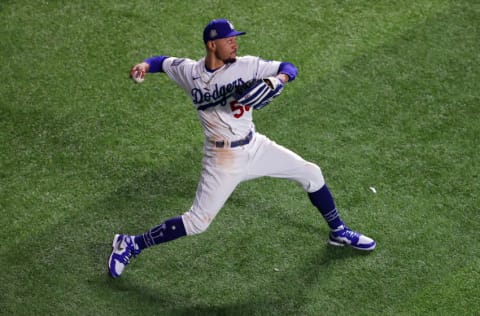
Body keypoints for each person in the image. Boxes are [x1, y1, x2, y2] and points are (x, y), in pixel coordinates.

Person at [108, 18, 376, 278]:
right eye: (229, 40)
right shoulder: (190, 73)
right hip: (221, 158)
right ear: (212, 45)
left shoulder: (248, 66)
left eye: (236, 39)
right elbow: (163, 63)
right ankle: (131, 244)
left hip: (255, 146)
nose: (235, 44)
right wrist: (144, 65)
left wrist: (279, 79)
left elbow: (289, 66)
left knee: (312, 173)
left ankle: (338, 230)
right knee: (197, 222)